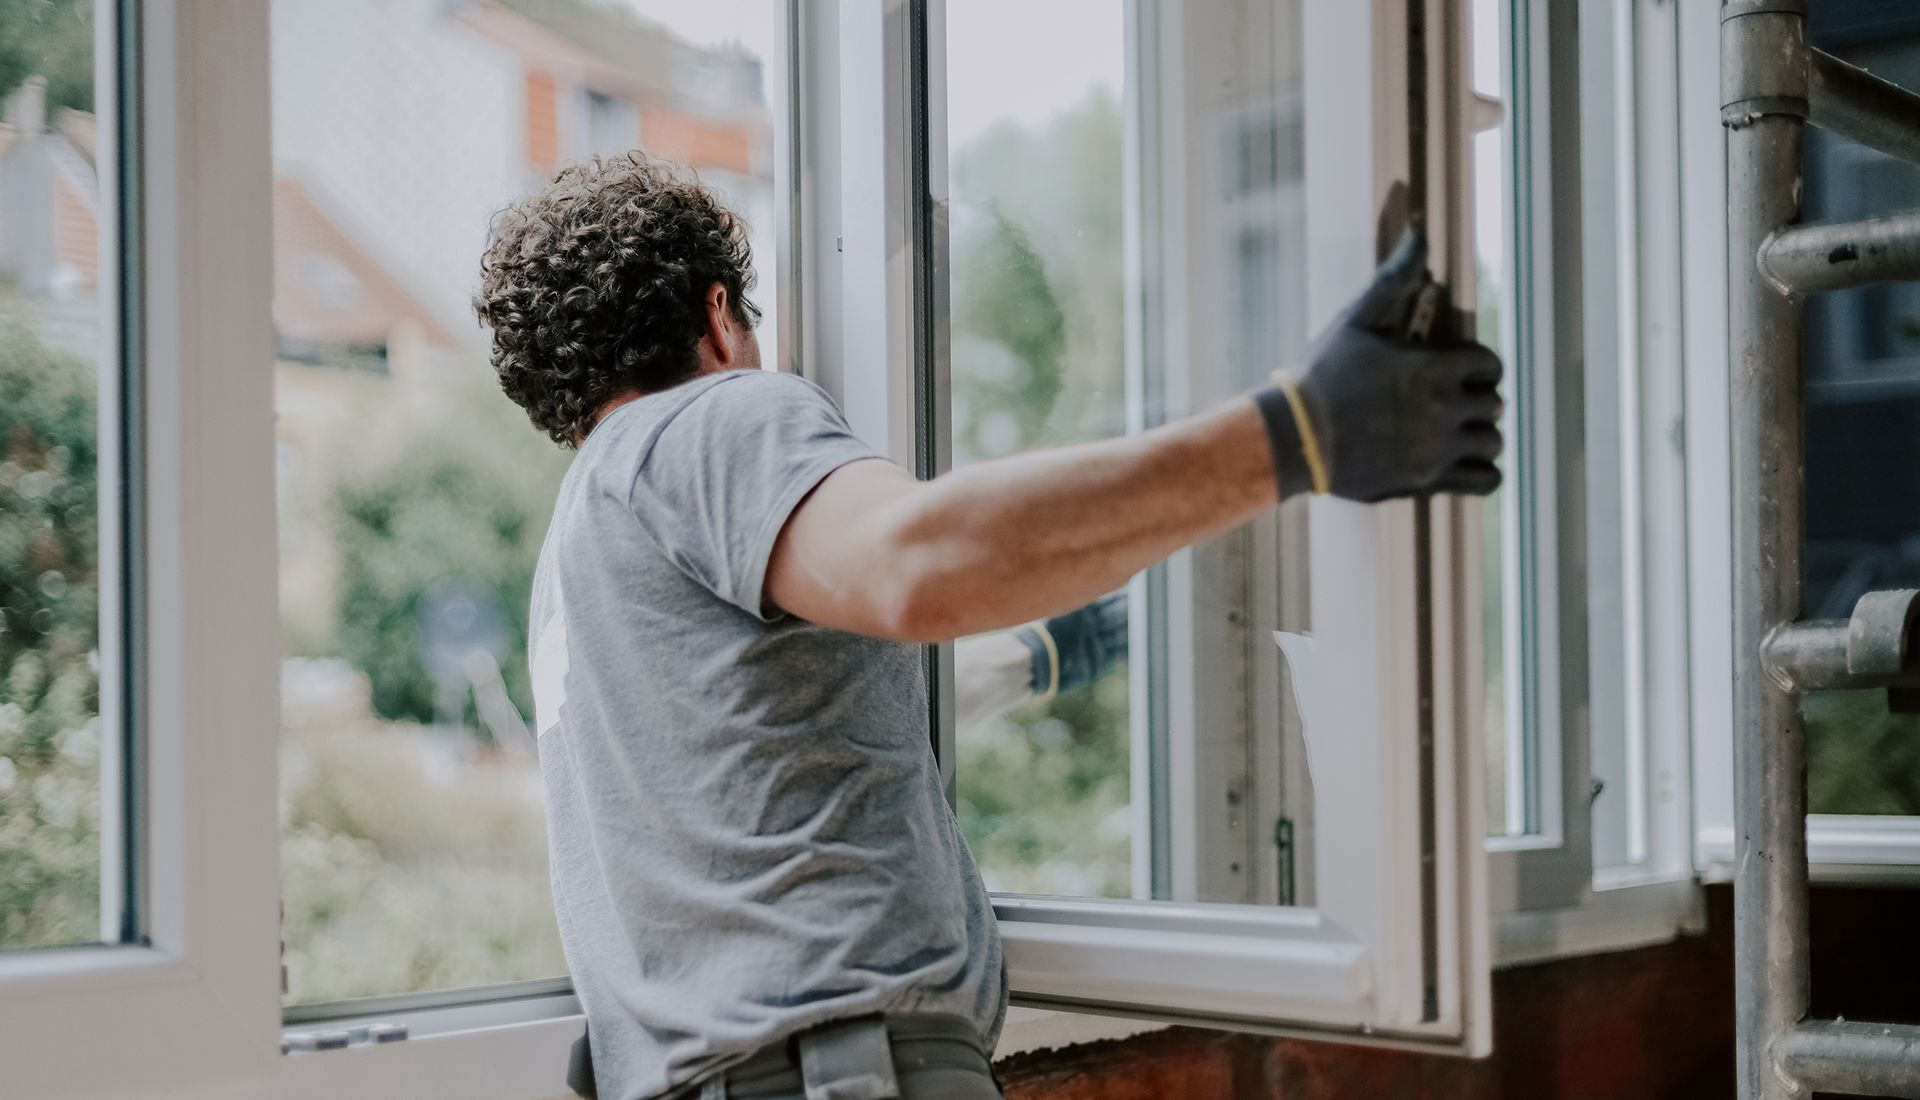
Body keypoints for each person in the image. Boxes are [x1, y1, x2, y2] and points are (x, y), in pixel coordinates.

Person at [475, 152, 1501, 1100]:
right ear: (718, 313)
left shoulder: (580, 553)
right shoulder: (718, 417)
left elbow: (794, 736)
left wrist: (1096, 627)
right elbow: (918, 563)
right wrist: (1303, 432)